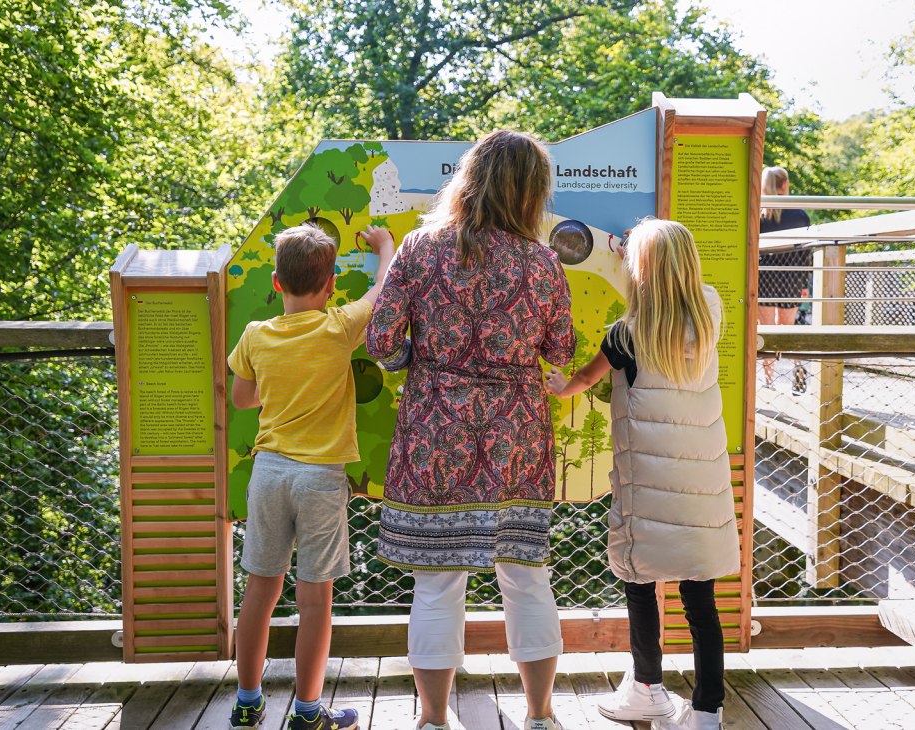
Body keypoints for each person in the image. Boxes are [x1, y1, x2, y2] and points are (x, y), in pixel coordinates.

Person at [365, 129, 576, 730]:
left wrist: (422, 364)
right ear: (533, 192)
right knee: (528, 578)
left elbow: (380, 343)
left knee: (436, 584)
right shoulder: (541, 263)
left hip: (435, 429)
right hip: (516, 433)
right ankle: (540, 715)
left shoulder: (420, 248)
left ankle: (433, 720)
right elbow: (560, 351)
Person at [546, 218, 740, 730]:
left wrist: (556, 382)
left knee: (639, 579)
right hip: (702, 487)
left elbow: (578, 383)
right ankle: (706, 713)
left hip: (647, 488)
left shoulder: (626, 334)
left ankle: (648, 689)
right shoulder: (711, 312)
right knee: (701, 600)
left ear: (642, 268)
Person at [226, 222, 396, 730]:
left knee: (260, 589)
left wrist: (279, 389)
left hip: (270, 472)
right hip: (321, 478)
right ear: (328, 287)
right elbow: (382, 291)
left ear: (276, 282)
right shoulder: (339, 327)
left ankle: (248, 700)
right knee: (315, 598)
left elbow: (241, 399)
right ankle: (306, 711)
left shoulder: (256, 335)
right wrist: (385, 246)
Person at [757, 166, 812, 388]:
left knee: (767, 331)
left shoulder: (760, 214)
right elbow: (805, 253)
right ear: (785, 184)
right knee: (789, 329)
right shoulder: (800, 215)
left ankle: (768, 382)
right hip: (791, 279)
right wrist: (804, 283)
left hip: (765, 279)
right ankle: (798, 378)